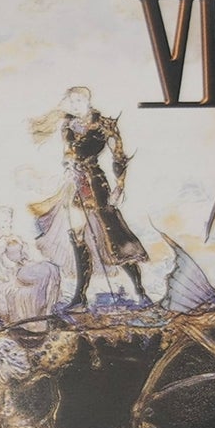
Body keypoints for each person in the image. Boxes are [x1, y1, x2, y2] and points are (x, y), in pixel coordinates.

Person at [30, 85, 149, 309]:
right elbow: (68, 153)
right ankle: (80, 298)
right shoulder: (68, 125)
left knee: (113, 237)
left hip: (97, 185)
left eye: (77, 101)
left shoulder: (104, 125)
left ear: (87, 101)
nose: (73, 105)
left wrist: (120, 186)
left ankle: (140, 291)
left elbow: (118, 157)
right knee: (77, 236)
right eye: (71, 101)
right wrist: (68, 166)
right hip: (75, 186)